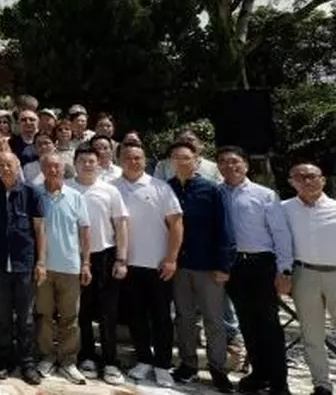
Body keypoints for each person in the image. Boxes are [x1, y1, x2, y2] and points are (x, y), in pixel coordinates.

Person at [218, 146, 292, 395]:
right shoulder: (217, 194)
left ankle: (280, 384)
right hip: (233, 266)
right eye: (224, 162)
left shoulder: (265, 195)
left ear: (246, 165)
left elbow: (280, 233)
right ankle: (259, 374)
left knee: (269, 325)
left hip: (261, 264)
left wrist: (285, 270)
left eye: (235, 162)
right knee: (247, 323)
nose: (230, 166)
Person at [165, 141, 235, 390]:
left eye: (185, 158)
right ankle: (188, 364)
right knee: (184, 318)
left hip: (207, 265)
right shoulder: (167, 188)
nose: (181, 162)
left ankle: (218, 368)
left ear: (196, 161)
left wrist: (223, 265)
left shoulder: (212, 190)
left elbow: (224, 229)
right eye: (175, 158)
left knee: (214, 319)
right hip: (179, 265)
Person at [115, 143, 182, 388]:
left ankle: (163, 364)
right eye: (128, 158)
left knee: (162, 316)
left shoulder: (160, 188)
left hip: (158, 265)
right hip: (128, 265)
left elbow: (176, 224)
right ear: (120, 160)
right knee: (136, 316)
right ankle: (144, 358)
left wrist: (172, 258)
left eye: (138, 158)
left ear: (145, 161)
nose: (134, 162)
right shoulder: (113, 188)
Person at [0, 151, 44, 385]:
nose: (5, 169)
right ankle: (4, 360)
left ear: (18, 167)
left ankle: (27, 363)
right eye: (1, 165)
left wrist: (41, 262)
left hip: (24, 263)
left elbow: (39, 230)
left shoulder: (31, 193)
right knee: (3, 317)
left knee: (26, 319)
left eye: (10, 164)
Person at [67, 145, 129, 384]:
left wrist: (121, 259)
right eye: (82, 160)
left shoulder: (109, 191)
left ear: (100, 163)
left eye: (92, 160)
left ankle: (111, 361)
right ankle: (87, 357)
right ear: (75, 162)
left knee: (108, 312)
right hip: (75, 257)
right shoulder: (67, 188)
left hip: (105, 255)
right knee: (82, 310)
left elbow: (121, 225)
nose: (87, 164)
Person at [32, 153, 91, 385]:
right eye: (48, 166)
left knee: (70, 317)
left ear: (63, 169)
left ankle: (68, 361)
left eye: (57, 166)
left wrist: (86, 262)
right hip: (44, 267)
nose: (53, 170)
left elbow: (85, 232)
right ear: (42, 168)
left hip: (70, 266)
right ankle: (46, 356)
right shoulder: (35, 195)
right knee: (44, 315)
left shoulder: (76, 197)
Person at [282, 163, 335, 395]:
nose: (306, 181)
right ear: (292, 182)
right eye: (300, 177)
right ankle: (321, 384)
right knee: (312, 333)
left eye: (312, 176)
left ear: (322, 180)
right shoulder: (283, 209)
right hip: (304, 273)